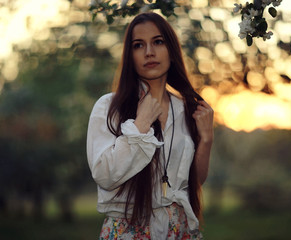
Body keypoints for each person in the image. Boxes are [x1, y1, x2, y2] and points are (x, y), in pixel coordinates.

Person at [87, 12, 213, 239]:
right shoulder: (108, 107)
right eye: (138, 45)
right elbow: (104, 175)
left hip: (178, 229)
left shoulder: (185, 109)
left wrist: (206, 139)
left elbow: (193, 181)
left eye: (158, 42)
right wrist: (140, 125)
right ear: (130, 55)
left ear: (171, 50)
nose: (149, 52)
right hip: (129, 230)